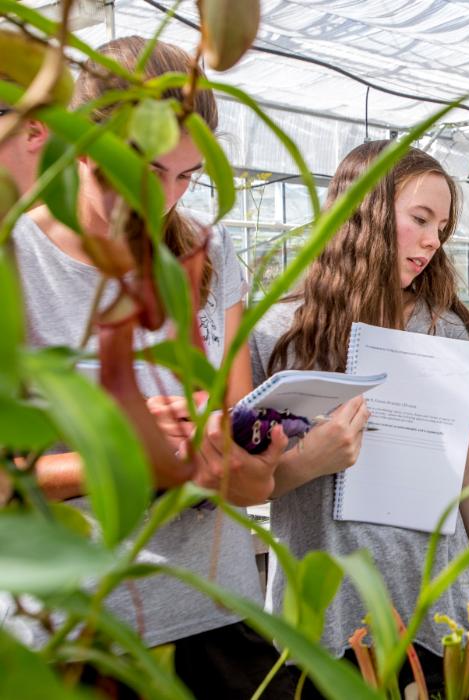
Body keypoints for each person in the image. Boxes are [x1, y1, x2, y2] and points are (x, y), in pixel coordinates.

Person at [9, 37, 295, 697]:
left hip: (217, 616)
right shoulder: (16, 261)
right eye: (144, 166)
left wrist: (248, 452)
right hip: (80, 631)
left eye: (187, 175)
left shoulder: (209, 254)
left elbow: (239, 440)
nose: (164, 197)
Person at [250, 139, 469, 694]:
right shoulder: (278, 336)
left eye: (441, 227)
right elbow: (236, 477)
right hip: (327, 627)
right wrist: (308, 461)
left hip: (445, 620)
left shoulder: (444, 329)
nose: (431, 242)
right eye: (420, 219)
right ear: (363, 212)